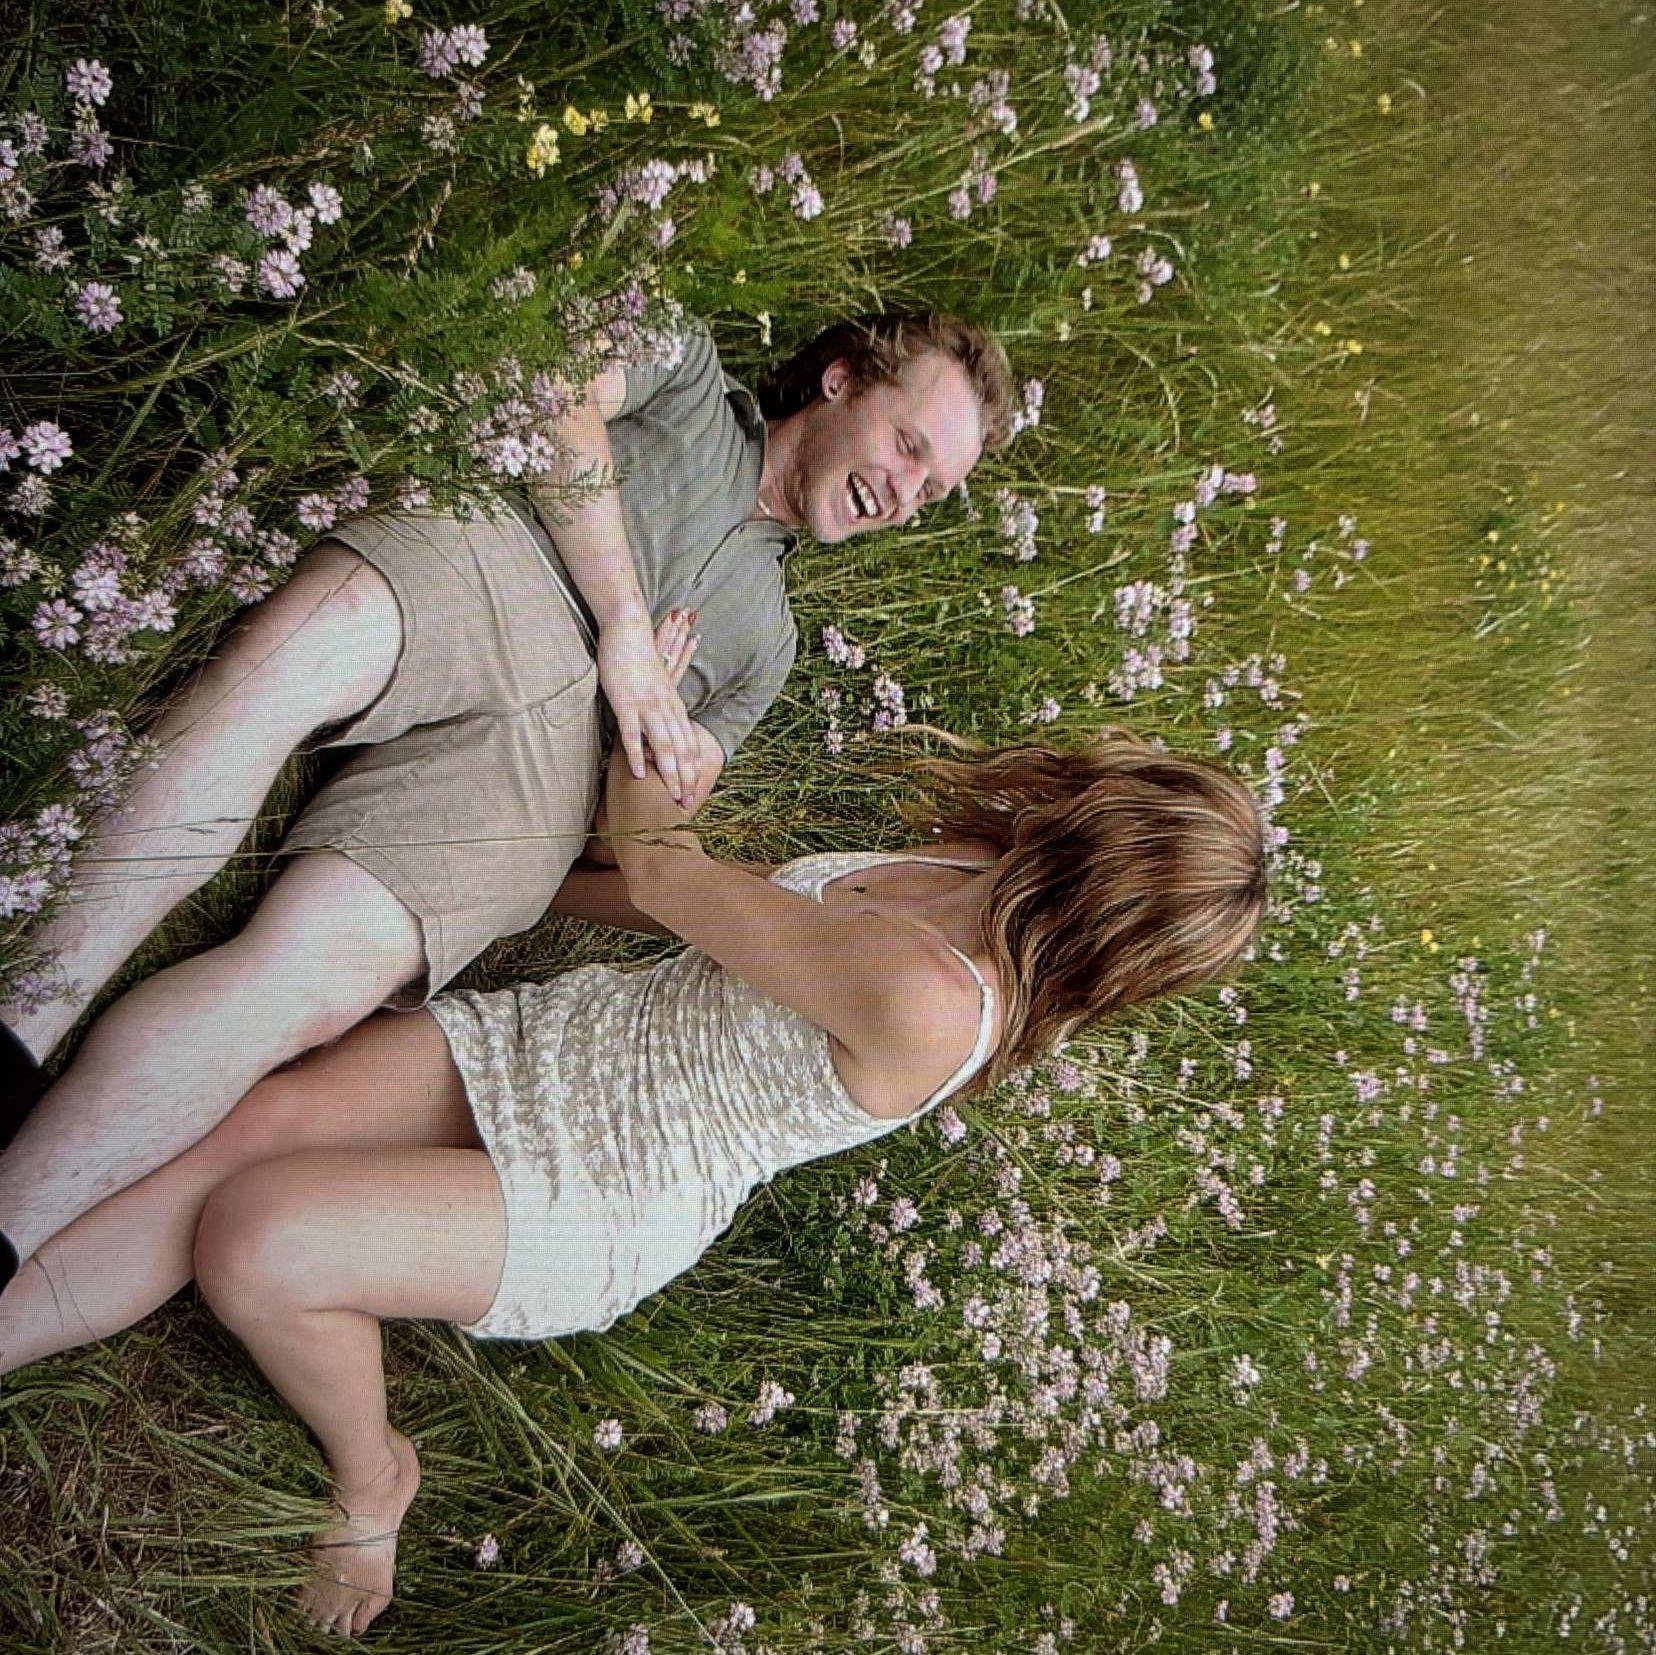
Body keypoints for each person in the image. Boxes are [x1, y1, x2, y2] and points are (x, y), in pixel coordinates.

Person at [0, 720, 1268, 1637]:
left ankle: (375, 1470)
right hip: (568, 1045)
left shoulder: (932, 998)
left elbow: (671, 867)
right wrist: (524, 883)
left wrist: (645, 701)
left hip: (607, 1190)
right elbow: (705, 913)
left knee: (255, 1238)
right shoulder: (958, 872)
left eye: (1108, 796)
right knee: (254, 1117)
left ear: (1097, 857)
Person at [0, 310, 1018, 1293]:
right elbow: (555, 390)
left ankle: (11, 1223)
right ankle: (16, 1029)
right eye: (908, 445)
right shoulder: (691, 375)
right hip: (497, 560)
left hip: (544, 773)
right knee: (275, 680)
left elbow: (640, 837)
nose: (906, 491)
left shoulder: (770, 646)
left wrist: (661, 753)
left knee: (298, 985)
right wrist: (624, 627)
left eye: (932, 488)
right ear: (842, 381)